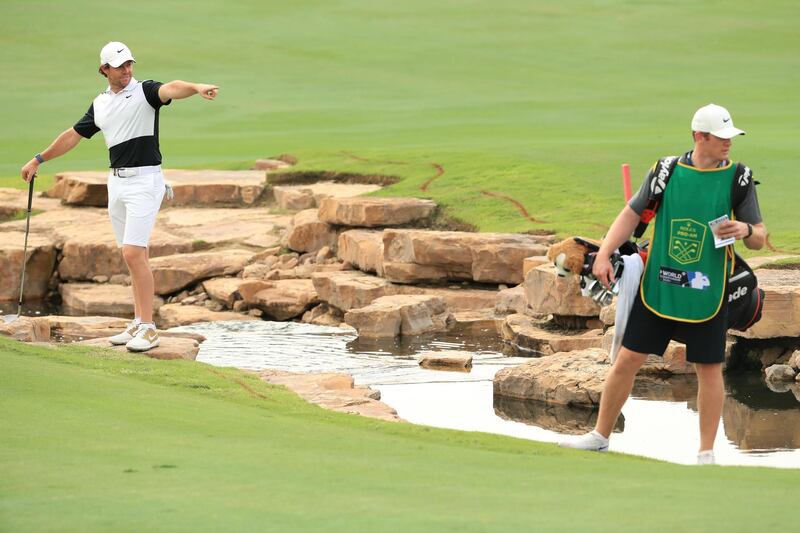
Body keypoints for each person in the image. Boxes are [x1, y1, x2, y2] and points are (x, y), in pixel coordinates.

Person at [560, 103, 766, 465]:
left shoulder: (739, 178)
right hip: (660, 287)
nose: (728, 144)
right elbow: (632, 213)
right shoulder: (666, 170)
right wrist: (605, 253)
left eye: (730, 137)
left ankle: (706, 454)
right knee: (626, 361)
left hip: (708, 291)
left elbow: (759, 239)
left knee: (709, 369)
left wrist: (746, 229)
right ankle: (599, 436)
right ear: (699, 136)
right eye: (722, 137)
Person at [20, 42, 219, 352]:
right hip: (117, 184)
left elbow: (171, 88)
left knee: (133, 253)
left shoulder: (145, 92)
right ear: (104, 70)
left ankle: (150, 329)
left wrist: (196, 87)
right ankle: (140, 321)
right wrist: (38, 159)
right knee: (132, 255)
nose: (126, 70)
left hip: (145, 182)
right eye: (119, 66)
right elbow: (73, 135)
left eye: (129, 64)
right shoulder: (100, 104)